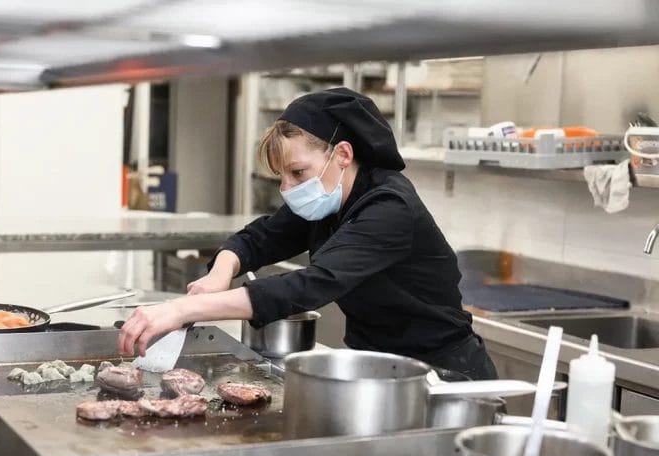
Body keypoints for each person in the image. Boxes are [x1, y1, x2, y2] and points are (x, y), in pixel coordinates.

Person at [118, 87, 498, 380]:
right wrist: (219, 274)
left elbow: (311, 286)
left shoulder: (388, 208)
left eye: (297, 173)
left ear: (343, 155)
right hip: (376, 366)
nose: (288, 188)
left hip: (444, 372)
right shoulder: (329, 200)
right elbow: (259, 238)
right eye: (282, 176)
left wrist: (182, 308)